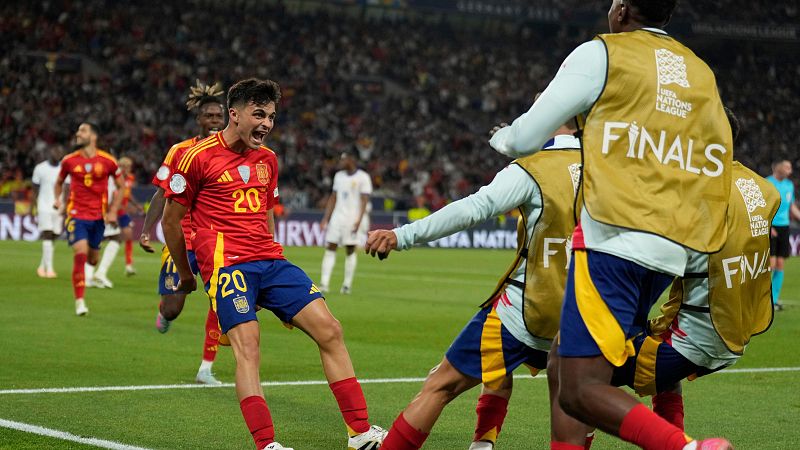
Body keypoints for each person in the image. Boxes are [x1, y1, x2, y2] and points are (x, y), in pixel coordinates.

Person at [488, 1, 734, 448]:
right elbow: (717, 160)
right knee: (562, 362)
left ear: (620, 11)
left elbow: (525, 137)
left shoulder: (602, 53)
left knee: (581, 389)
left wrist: (502, 137)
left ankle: (688, 448)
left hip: (614, 238)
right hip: (672, 247)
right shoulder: (701, 71)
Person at [162, 78, 385, 450]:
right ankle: (267, 445)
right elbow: (171, 220)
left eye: (272, 116)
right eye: (259, 114)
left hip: (270, 260)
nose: (266, 124)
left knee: (330, 329)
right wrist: (187, 275)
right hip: (226, 265)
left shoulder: (268, 160)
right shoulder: (197, 157)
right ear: (234, 115)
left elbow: (267, 215)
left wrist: (277, 278)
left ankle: (360, 433)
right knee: (248, 347)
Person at [548, 107, 781, 449]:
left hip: (693, 341)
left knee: (570, 368)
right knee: (653, 339)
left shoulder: (699, 194)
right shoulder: (761, 188)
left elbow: (652, 260)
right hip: (735, 333)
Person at [366, 119, 582, 450]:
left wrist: (401, 235)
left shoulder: (533, 169)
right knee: (572, 407)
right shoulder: (613, 171)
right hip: (582, 316)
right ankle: (482, 445)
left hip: (528, 309)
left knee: (440, 384)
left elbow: (473, 208)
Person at [139, 80, 227, 385]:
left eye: (220, 116)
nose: (215, 121)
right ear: (199, 119)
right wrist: (147, 230)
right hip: (182, 236)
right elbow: (162, 194)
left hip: (216, 239)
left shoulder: (232, 151)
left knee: (221, 299)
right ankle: (164, 313)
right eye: (210, 117)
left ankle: (206, 367)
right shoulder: (180, 151)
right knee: (175, 307)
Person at [54, 123, 123, 316]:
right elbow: (59, 182)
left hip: (98, 218)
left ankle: (92, 268)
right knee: (80, 252)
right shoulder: (69, 161)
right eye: (77, 131)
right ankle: (80, 302)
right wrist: (57, 199)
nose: (78, 134)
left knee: (92, 259)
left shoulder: (107, 161)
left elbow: (121, 185)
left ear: (93, 136)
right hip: (76, 214)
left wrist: (113, 211)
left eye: (82, 131)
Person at [319, 152, 372, 294]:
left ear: (351, 160)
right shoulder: (338, 176)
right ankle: (324, 283)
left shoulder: (363, 177)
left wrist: (359, 221)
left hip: (352, 218)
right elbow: (333, 198)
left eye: (343, 159)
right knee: (330, 247)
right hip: (337, 218)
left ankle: (346, 285)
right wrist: (326, 219)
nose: (341, 162)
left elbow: (364, 201)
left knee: (350, 249)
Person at [90, 157, 141, 288]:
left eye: (129, 167)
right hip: (110, 211)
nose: (128, 169)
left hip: (118, 212)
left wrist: (135, 205)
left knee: (126, 236)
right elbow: (110, 195)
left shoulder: (129, 178)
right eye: (126, 167)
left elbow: (126, 194)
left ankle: (128, 264)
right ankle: (95, 274)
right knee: (105, 239)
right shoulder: (113, 178)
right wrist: (111, 212)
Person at [765, 159, 800, 311]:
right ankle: (762, 299)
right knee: (770, 264)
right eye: (787, 167)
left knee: (780, 264)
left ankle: (774, 299)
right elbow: (761, 207)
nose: (790, 170)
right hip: (770, 227)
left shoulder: (789, 185)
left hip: (784, 227)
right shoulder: (767, 183)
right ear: (777, 167)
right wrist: (768, 224)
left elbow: (792, 207)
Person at [32, 144, 65, 278]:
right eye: (55, 151)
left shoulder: (64, 168)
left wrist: (66, 205)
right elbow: (34, 188)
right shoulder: (40, 168)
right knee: (47, 234)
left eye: (59, 152)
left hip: (59, 206)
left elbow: (67, 187)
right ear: (50, 153)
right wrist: (35, 205)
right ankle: (49, 269)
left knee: (55, 235)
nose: (57, 154)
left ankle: (41, 266)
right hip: (44, 206)